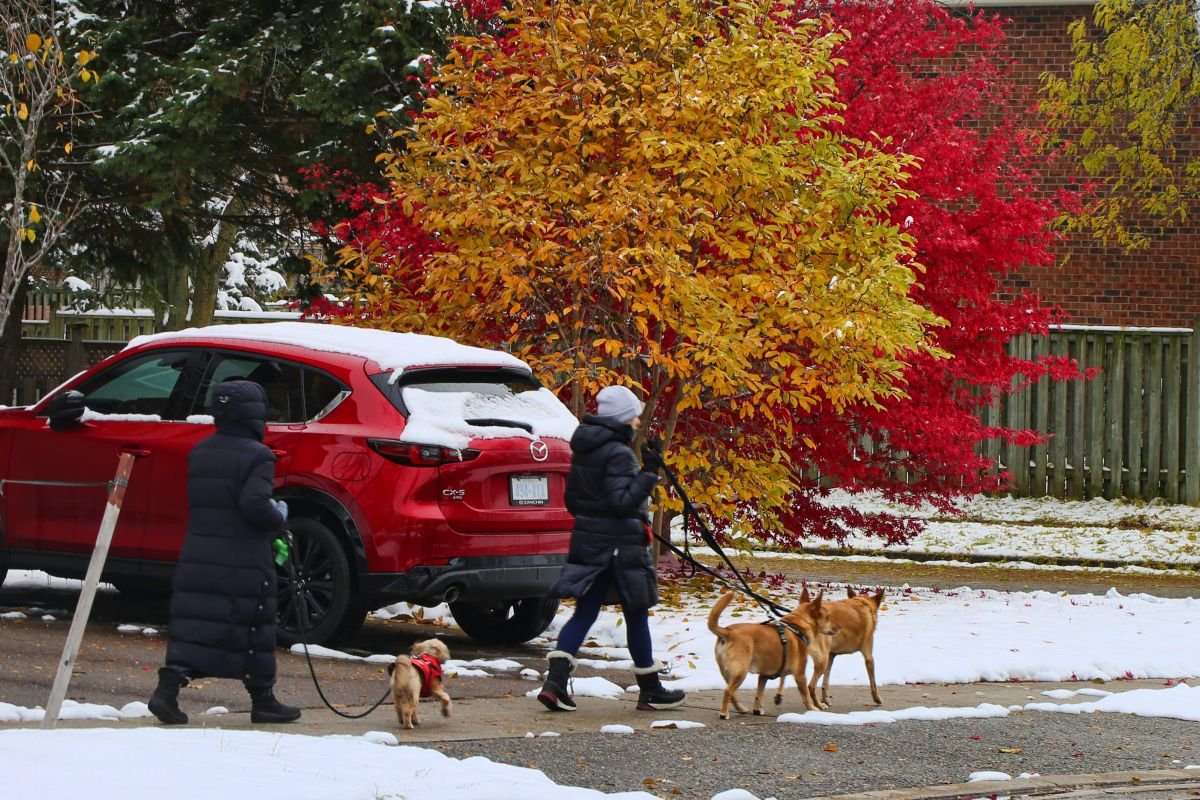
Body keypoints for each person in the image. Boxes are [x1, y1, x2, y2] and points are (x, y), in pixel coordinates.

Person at [147, 379, 300, 725]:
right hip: (243, 558)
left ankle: (168, 689)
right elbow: (255, 505)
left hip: (200, 553)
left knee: (197, 623)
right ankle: (264, 700)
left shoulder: (201, 452)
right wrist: (280, 515)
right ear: (255, 414)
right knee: (253, 625)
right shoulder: (258, 455)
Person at [537, 384, 686, 712]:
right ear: (620, 418)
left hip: (591, 541)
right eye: (633, 415)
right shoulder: (617, 452)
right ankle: (650, 690)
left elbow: (572, 500)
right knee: (636, 611)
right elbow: (622, 502)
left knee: (586, 611)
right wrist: (649, 473)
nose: (636, 421)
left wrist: (596, 518)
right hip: (619, 547)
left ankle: (555, 683)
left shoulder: (586, 448)